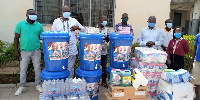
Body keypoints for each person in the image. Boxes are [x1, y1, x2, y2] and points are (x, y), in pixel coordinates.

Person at [14, 9, 44, 95]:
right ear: (27, 15)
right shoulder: (20, 24)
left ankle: (38, 85)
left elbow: (41, 37)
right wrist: (16, 51)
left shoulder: (39, 25)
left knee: (37, 69)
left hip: (36, 51)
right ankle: (22, 86)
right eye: (31, 14)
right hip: (24, 51)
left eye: (35, 14)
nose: (34, 16)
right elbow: (16, 38)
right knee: (23, 69)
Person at [52, 6, 84, 78]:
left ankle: (69, 82)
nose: (67, 13)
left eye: (68, 12)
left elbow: (83, 29)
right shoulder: (56, 21)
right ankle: (61, 82)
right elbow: (53, 35)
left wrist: (77, 27)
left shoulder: (74, 20)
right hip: (60, 49)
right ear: (62, 12)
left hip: (71, 47)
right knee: (60, 67)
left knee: (70, 67)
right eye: (65, 12)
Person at [96, 15, 110, 87]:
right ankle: (96, 81)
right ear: (100, 20)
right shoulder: (95, 29)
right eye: (105, 20)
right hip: (96, 52)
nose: (106, 21)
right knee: (96, 66)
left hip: (104, 51)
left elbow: (108, 40)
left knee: (104, 67)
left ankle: (104, 81)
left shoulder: (106, 29)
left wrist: (107, 37)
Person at [190, 33, 200, 100]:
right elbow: (195, 48)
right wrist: (192, 60)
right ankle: (197, 97)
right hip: (197, 61)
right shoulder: (198, 36)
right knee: (196, 81)